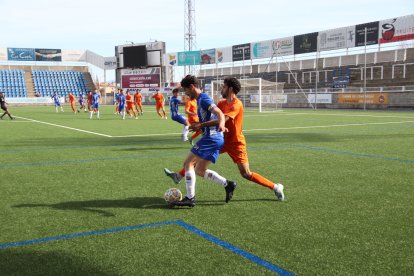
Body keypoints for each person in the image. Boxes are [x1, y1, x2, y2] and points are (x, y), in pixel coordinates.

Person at [165, 77, 285, 201]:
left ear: (230, 88)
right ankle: (179, 176)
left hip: (236, 143)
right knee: (197, 164)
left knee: (246, 174)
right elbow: (212, 117)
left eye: (224, 86)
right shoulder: (222, 103)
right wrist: (201, 129)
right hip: (220, 139)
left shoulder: (236, 104)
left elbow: (223, 119)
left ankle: (275, 187)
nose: (221, 89)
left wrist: (203, 125)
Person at [167, 75, 236, 208]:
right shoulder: (199, 99)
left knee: (188, 163)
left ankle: (190, 198)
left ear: (192, 87)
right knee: (200, 169)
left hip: (212, 138)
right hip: (215, 138)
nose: (186, 94)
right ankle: (228, 184)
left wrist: (220, 124)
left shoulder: (204, 98)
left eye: (186, 90)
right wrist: (200, 124)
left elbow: (220, 113)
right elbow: (210, 118)